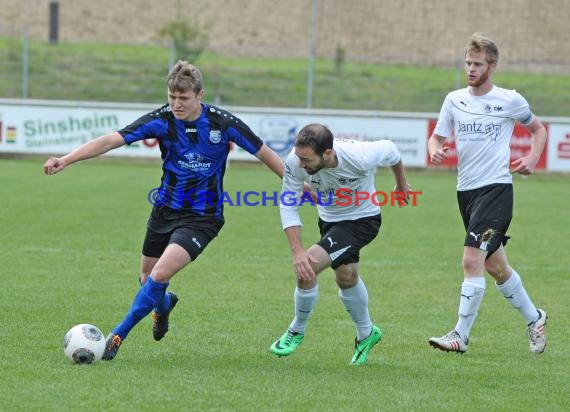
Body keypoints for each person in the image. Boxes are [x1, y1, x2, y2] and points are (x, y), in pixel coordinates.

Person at [43, 60, 284, 360]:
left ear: (200, 95)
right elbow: (110, 140)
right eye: (171, 97)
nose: (176, 104)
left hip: (202, 217)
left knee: (158, 274)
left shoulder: (224, 124)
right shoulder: (162, 120)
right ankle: (164, 304)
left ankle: (118, 335)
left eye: (183, 98)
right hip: (164, 210)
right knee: (147, 279)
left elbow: (265, 153)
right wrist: (66, 159)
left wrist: (296, 186)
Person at [427, 33, 548, 354]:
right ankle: (535, 318)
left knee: (471, 259)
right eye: (467, 62)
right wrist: (435, 151)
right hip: (465, 192)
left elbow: (538, 129)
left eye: (477, 64)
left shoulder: (509, 100)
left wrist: (533, 158)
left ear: (492, 66)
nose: (470, 69)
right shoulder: (453, 99)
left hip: (496, 190)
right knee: (496, 267)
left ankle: (460, 336)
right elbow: (436, 138)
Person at [269, 123, 411, 365]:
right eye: (299, 158)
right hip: (329, 220)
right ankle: (367, 334)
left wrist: (400, 183)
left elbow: (391, 150)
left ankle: (297, 329)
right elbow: (288, 203)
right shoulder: (295, 161)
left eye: (307, 159)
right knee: (346, 277)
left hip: (362, 221)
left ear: (327, 153)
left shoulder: (360, 157)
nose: (301, 164)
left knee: (308, 267)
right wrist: (297, 250)